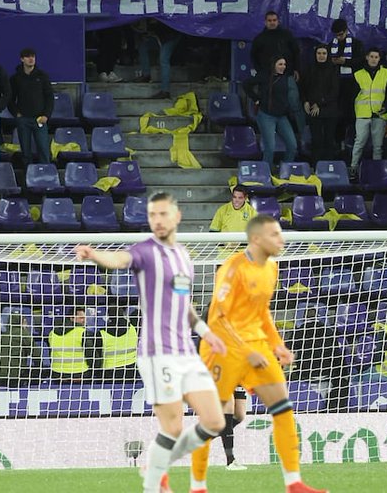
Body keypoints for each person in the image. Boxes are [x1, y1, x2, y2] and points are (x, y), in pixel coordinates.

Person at [74, 194, 226, 493]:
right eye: (152, 215)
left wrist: (206, 332)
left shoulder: (183, 256)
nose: (157, 220)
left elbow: (185, 304)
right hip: (158, 355)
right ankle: (153, 483)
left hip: (186, 352)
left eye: (162, 214)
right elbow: (119, 260)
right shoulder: (144, 251)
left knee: (214, 421)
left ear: (176, 217)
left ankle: (155, 463)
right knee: (172, 428)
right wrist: (95, 254)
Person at [189, 215, 325, 493]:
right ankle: (198, 486)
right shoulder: (232, 268)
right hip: (223, 349)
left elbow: (262, 311)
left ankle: (294, 482)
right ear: (256, 239)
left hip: (257, 346)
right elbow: (220, 318)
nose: (282, 240)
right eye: (275, 235)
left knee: (283, 408)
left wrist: (278, 345)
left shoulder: (272, 268)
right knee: (212, 420)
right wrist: (247, 351)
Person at [246, 56, 298, 166]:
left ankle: (285, 170)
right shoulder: (264, 76)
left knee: (292, 145)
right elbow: (246, 84)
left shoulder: (286, 77)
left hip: (282, 116)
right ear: (273, 65)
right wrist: (256, 98)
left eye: (284, 64)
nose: (283, 67)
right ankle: (266, 173)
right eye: (280, 64)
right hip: (266, 115)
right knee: (270, 147)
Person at [9, 47, 53, 164]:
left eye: (33, 56)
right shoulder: (15, 78)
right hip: (23, 119)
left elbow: (49, 97)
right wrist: (16, 114)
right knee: (25, 152)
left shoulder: (42, 76)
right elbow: (10, 98)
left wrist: (46, 115)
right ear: (22, 59)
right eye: (28, 57)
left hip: (40, 119)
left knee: (43, 149)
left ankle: (46, 177)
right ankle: (28, 177)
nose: (31, 59)